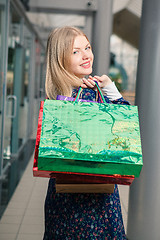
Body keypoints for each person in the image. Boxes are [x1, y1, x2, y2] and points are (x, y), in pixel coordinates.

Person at [44, 26, 129, 240]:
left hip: (64, 193)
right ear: (60, 58)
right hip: (95, 197)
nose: (86, 55)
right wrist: (111, 90)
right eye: (75, 51)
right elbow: (125, 127)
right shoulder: (89, 95)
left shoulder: (59, 95)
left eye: (87, 47)